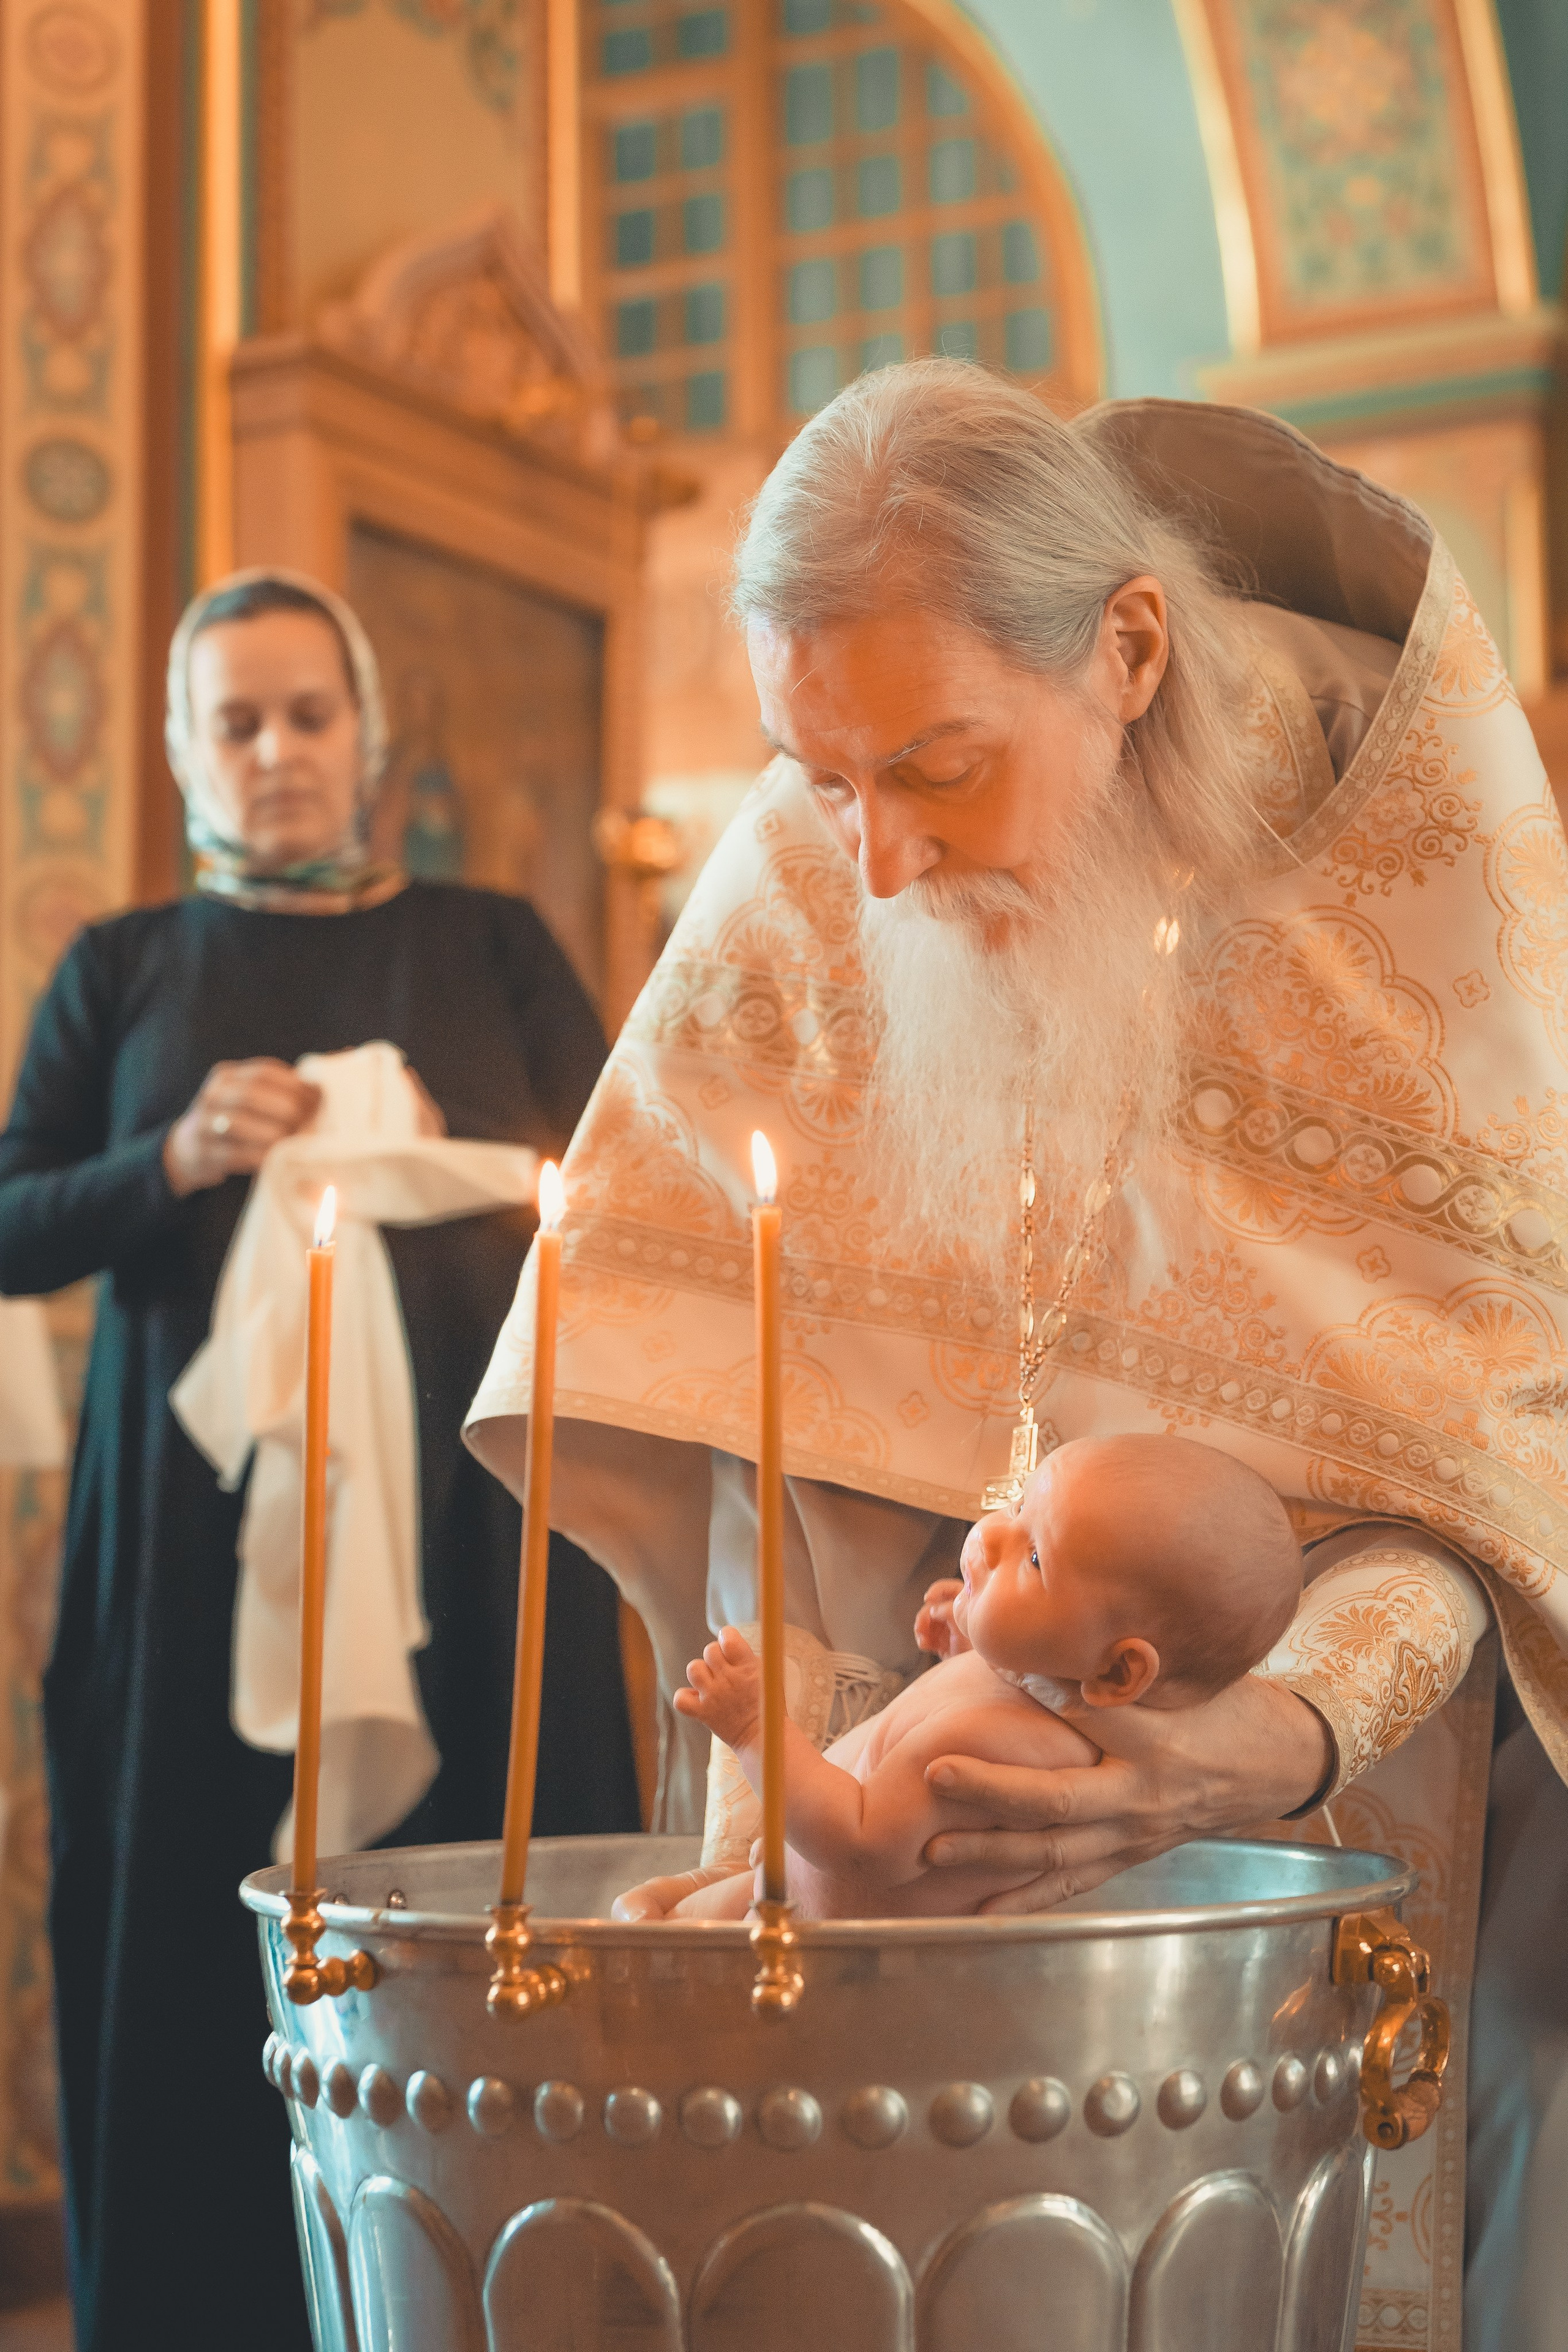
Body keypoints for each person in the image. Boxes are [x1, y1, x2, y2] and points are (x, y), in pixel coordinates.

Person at [467, 363, 1568, 2348]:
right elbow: (744, 1431)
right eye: (821, 779)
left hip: (1312, 1853)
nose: (870, 861)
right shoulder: (822, 852)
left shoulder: (1415, 881)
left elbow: (1479, 1463)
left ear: (1126, 652)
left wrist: (1268, 1731)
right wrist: (792, 1820)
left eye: (939, 768)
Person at [0, 569, 641, 2352]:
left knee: (477, 1930)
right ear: (183, 752)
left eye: (308, 714)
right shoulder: (125, 963)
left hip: (467, 1537)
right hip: (189, 1571)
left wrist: (456, 1151)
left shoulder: (492, 935)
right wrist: (176, 1156)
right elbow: (10, 1219)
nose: (276, 752)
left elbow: (619, 1178)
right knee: (206, 1939)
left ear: (368, 739)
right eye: (237, 721)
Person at [644, 1434, 1300, 1919]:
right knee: (666, 1907)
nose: (988, 1537)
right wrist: (961, 1654)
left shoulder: (1000, 1746)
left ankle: (665, 1916)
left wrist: (757, 1730)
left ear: (1119, 1670)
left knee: (668, 1943)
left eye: (1034, 1556)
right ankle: (668, 1904)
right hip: (792, 1888)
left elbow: (861, 1843)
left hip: (820, 1939)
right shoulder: (1033, 1681)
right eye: (1015, 1509)